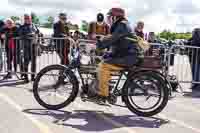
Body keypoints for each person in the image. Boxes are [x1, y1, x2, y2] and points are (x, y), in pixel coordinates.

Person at [89, 8, 138, 104]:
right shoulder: (122, 24)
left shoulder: (122, 25)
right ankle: (107, 86)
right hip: (126, 54)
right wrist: (106, 48)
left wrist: (100, 45)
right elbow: (117, 41)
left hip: (128, 57)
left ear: (115, 17)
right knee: (105, 59)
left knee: (104, 66)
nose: (109, 19)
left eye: (110, 17)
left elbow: (113, 39)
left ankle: (103, 95)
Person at [18, 14, 40, 82]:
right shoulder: (22, 26)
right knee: (26, 62)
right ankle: (26, 77)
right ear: (24, 19)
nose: (27, 19)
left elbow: (38, 33)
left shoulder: (34, 25)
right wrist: (30, 35)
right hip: (26, 46)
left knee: (34, 62)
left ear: (31, 19)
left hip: (34, 46)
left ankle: (33, 77)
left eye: (29, 18)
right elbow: (21, 35)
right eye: (26, 18)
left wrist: (37, 35)